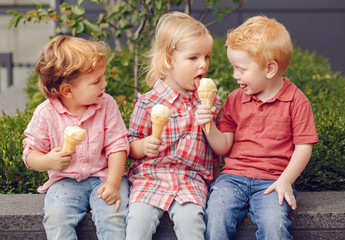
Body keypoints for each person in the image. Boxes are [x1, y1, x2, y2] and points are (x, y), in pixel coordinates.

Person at [196, 15, 319, 239]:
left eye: (241, 69)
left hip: (273, 181)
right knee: (215, 215)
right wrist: (207, 124)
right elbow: (223, 146)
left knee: (275, 225)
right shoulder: (235, 99)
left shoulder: (296, 101)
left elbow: (304, 147)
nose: (235, 75)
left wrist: (286, 180)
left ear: (270, 69)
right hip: (232, 178)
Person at [22, 35, 129, 240]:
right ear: (67, 91)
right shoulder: (46, 114)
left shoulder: (106, 104)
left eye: (103, 77)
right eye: (96, 81)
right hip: (65, 181)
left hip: (104, 176)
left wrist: (113, 184)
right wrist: (47, 161)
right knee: (56, 218)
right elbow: (29, 154)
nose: (104, 84)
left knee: (113, 217)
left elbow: (118, 146)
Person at [125, 11, 220, 240]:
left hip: (191, 180)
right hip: (150, 178)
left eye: (206, 57)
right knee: (138, 222)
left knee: (192, 223)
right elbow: (128, 145)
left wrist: (209, 122)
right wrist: (143, 146)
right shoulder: (147, 102)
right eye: (193, 58)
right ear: (169, 60)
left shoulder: (208, 101)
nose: (203, 64)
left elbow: (216, 151)